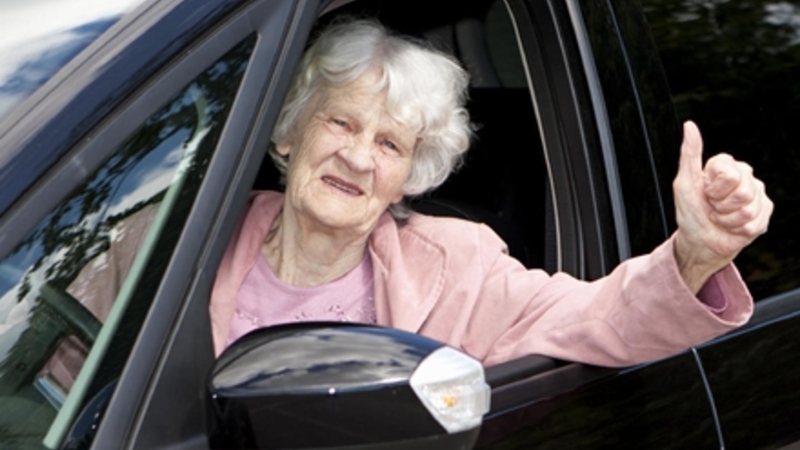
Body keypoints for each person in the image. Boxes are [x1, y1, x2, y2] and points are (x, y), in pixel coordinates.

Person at [209, 19, 773, 367]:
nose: (357, 158)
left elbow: (597, 315)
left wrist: (693, 257)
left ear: (409, 176)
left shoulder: (458, 267)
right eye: (340, 122)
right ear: (289, 130)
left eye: (389, 144)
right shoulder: (189, 235)